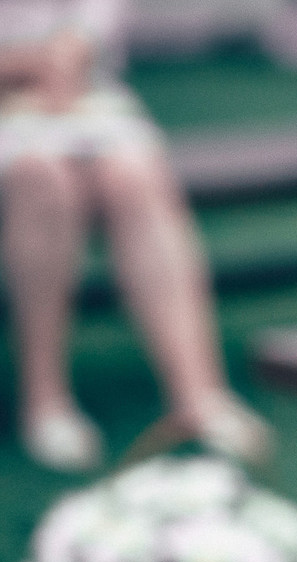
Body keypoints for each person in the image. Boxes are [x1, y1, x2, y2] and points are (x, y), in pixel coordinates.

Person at [0, 0, 272, 472]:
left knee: (137, 173)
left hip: (80, 89)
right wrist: (25, 64)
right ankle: (45, 399)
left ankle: (198, 395)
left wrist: (72, 49)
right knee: (41, 177)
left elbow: (97, 15)